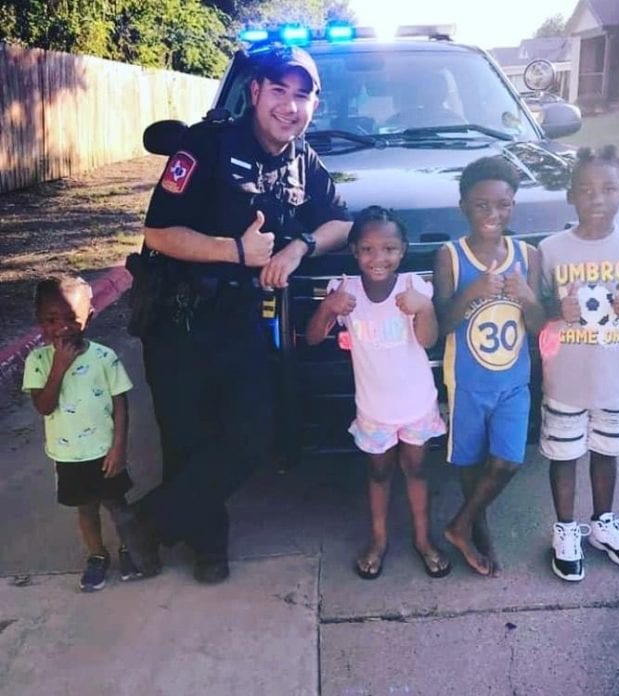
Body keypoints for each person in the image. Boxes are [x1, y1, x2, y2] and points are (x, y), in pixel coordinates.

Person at [134, 45, 352, 584]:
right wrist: (237, 251)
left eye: (303, 95)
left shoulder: (302, 158)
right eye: (279, 90)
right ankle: (208, 547)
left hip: (242, 318)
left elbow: (340, 221)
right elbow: (158, 231)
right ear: (254, 92)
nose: (290, 106)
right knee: (186, 436)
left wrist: (299, 245)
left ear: (314, 104)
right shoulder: (204, 144)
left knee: (255, 435)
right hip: (180, 317)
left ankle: (147, 520)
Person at [537, 145, 619, 582]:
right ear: (571, 195)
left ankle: (603, 525)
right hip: (564, 380)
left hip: (613, 379)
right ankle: (566, 529)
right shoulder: (551, 249)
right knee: (564, 454)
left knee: (607, 452)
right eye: (587, 189)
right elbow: (537, 309)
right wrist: (558, 307)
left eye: (609, 188)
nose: (598, 198)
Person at [305, 206, 450, 580]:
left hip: (417, 405)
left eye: (388, 249)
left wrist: (425, 309)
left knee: (417, 470)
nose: (378, 258)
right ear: (354, 252)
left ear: (402, 251)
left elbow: (429, 340)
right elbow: (313, 336)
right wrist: (327, 307)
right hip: (373, 411)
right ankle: (379, 539)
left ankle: (423, 539)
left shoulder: (414, 288)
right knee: (379, 473)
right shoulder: (345, 290)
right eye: (367, 249)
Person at [433, 157, 544, 577]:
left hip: (514, 381)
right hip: (466, 382)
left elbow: (538, 324)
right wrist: (473, 291)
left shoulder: (527, 256)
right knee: (468, 460)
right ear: (464, 206)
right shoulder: (451, 257)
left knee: (509, 460)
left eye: (503, 205)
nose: (493, 215)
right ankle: (476, 526)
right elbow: (442, 324)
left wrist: (528, 298)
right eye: (482, 206)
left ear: (513, 205)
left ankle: (460, 523)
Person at [22, 275, 160, 591]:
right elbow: (43, 406)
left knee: (117, 505)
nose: (61, 327)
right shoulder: (38, 362)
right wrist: (59, 367)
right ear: (39, 321)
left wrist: (119, 449)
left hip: (104, 452)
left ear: (90, 317)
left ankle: (128, 550)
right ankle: (97, 555)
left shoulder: (104, 358)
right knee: (86, 509)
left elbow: (120, 404)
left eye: (72, 318)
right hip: (68, 455)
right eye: (51, 319)